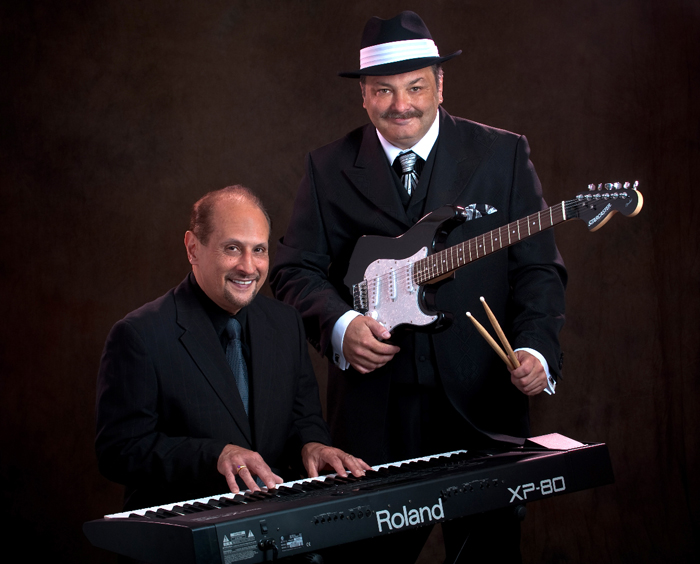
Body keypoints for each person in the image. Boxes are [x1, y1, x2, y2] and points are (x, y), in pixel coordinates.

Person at [270, 11, 566, 562]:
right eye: (383, 90)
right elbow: (292, 271)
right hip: (371, 419)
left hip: (483, 408)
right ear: (363, 95)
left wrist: (535, 349)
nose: (400, 104)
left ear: (440, 85)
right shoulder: (326, 168)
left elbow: (538, 270)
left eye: (415, 87)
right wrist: (341, 325)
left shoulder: (501, 155)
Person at [96, 185, 369, 512]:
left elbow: (303, 418)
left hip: (273, 522)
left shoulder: (285, 323)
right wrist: (216, 456)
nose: (248, 267)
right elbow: (119, 451)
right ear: (193, 248)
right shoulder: (139, 335)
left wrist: (312, 446)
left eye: (259, 250)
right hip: (185, 529)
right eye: (232, 248)